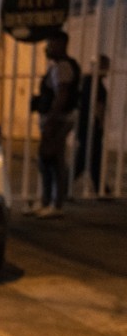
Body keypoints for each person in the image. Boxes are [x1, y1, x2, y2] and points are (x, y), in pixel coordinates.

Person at [26, 32, 81, 218]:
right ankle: (47, 201)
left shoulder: (63, 66)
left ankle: (55, 204)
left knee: (52, 160)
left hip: (58, 120)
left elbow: (62, 95)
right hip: (57, 119)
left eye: (50, 44)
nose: (47, 49)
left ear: (61, 44)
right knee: (47, 160)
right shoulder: (59, 66)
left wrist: (51, 120)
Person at [75, 54, 110, 196]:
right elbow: (98, 108)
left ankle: (101, 188)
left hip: (83, 124)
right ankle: (101, 188)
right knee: (88, 157)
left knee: (90, 157)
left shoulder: (85, 81)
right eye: (105, 66)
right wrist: (101, 124)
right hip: (91, 126)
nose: (107, 70)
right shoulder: (96, 85)